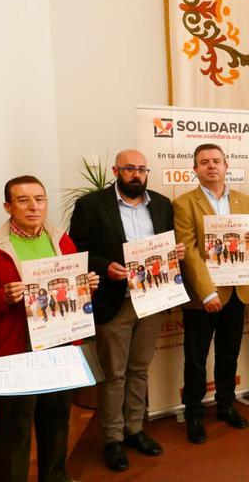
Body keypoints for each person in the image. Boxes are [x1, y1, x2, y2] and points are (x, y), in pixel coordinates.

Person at [0, 175, 99, 482]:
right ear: (8, 206)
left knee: (56, 418)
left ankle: (56, 477)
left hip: (58, 340)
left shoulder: (60, 239)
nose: (33, 206)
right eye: (23, 200)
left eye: (39, 199)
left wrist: (86, 284)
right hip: (14, 347)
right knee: (15, 427)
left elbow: (69, 287)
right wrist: (2, 296)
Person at [69, 149, 185, 471]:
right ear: (116, 170)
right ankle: (112, 439)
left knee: (139, 369)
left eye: (141, 169)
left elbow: (167, 244)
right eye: (129, 169)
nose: (136, 174)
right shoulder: (92, 205)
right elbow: (76, 250)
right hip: (114, 301)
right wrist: (106, 266)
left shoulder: (161, 204)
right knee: (113, 374)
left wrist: (176, 251)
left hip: (153, 299)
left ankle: (135, 429)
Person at [173, 143, 249, 443]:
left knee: (228, 354)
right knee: (196, 358)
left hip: (238, 290)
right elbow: (189, 252)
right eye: (204, 162)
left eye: (216, 161)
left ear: (226, 166)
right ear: (195, 169)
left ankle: (226, 405)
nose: (211, 166)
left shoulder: (244, 201)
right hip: (204, 298)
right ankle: (195, 413)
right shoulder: (184, 203)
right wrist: (208, 292)